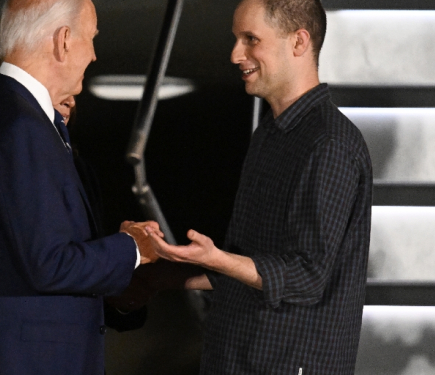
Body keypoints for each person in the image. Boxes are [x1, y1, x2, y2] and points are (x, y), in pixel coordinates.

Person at [0, 0, 161, 374]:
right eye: (91, 38)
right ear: (64, 41)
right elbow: (48, 263)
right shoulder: (19, 126)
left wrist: (120, 288)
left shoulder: (2, 117)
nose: (94, 54)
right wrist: (132, 247)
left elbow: (18, 257)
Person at [145, 0, 373, 374]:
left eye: (251, 39)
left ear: (299, 42)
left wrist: (215, 258)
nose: (236, 54)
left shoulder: (329, 143)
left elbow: (307, 276)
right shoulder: (272, 132)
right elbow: (253, 266)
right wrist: (168, 274)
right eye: (237, 39)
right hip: (239, 357)